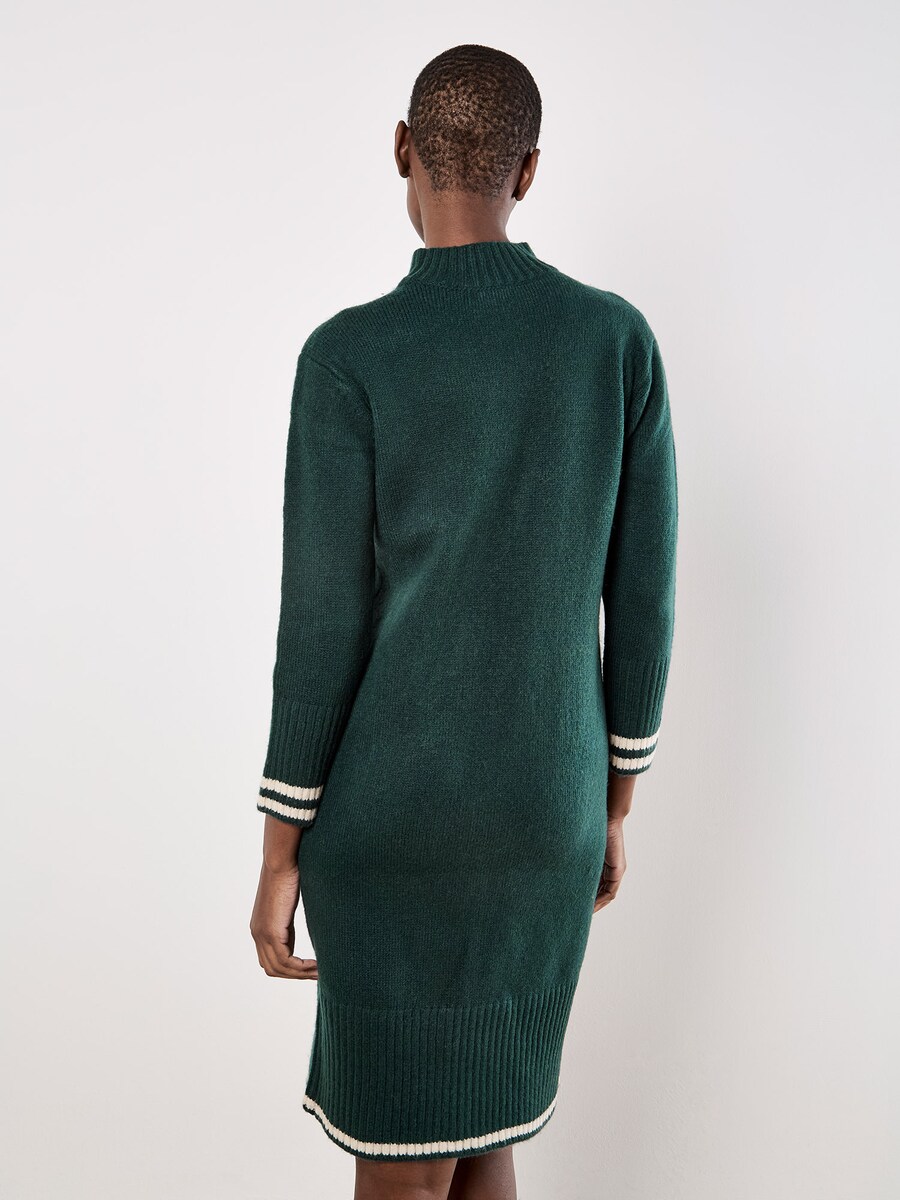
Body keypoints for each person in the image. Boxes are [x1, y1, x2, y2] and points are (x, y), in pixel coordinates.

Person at [249, 42, 678, 1200]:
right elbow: (643, 600)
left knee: (404, 1155)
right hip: (547, 814)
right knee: (486, 1131)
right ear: (528, 171)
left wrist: (280, 854)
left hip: (394, 829)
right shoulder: (614, 342)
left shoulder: (349, 358)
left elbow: (321, 624)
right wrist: (612, 805)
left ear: (402, 149)